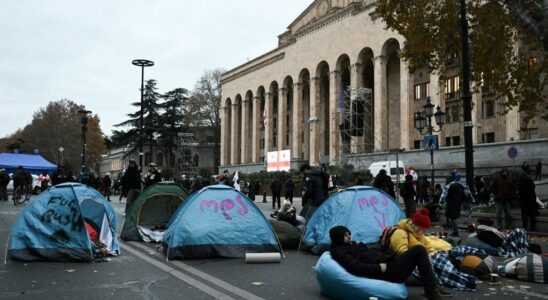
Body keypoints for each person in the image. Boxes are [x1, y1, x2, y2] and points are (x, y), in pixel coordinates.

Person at [329, 226, 444, 300]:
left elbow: (370, 252)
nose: (349, 236)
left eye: (348, 233)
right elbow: (356, 267)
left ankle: (432, 287)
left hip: (389, 262)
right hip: (388, 271)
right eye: (345, 235)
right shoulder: (340, 252)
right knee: (419, 250)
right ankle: (431, 291)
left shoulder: (351, 245)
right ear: (339, 237)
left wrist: (386, 250)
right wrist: (379, 268)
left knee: (419, 255)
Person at [439, 172, 475, 237]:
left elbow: (444, 195)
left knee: (453, 218)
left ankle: (455, 232)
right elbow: (467, 195)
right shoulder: (463, 185)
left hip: (451, 203)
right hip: (458, 203)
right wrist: (470, 201)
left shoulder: (449, 185)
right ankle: (455, 231)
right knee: (454, 217)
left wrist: (442, 202)